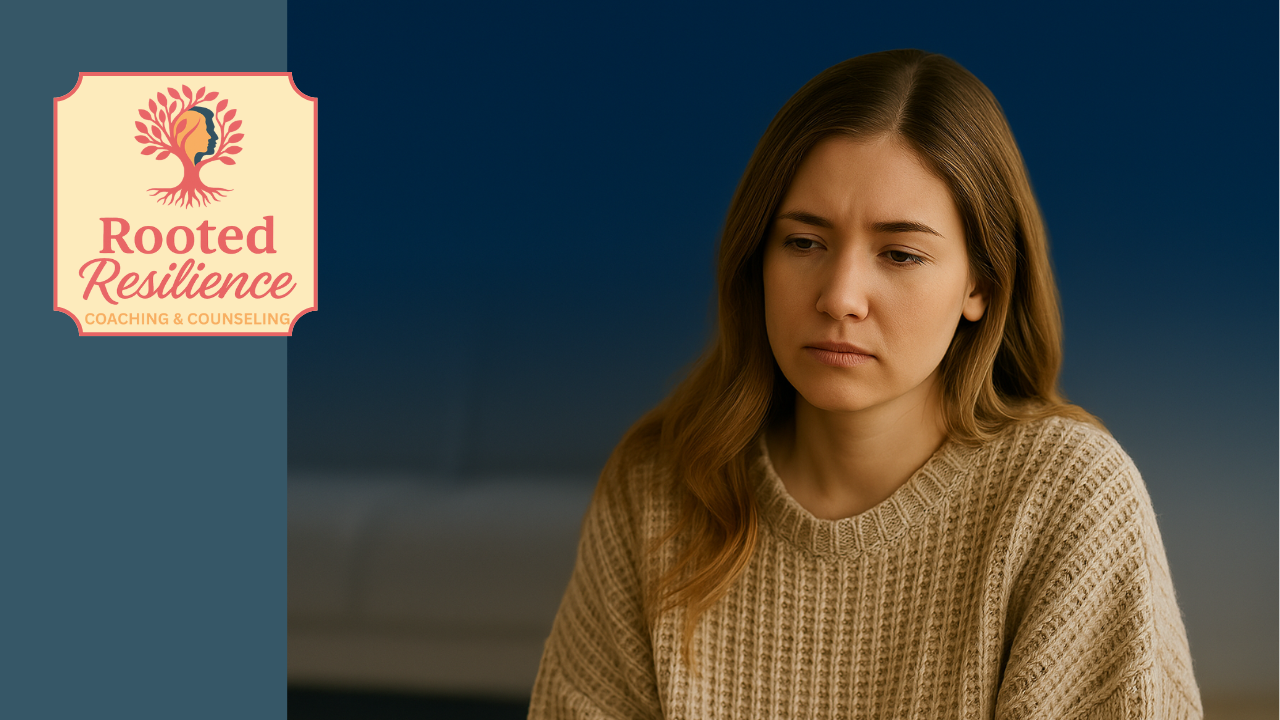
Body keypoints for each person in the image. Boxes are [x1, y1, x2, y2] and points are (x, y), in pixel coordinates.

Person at [528, 48, 1202, 719]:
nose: (840, 296)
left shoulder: (1067, 499)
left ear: (981, 284)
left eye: (900, 254)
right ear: (756, 256)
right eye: (803, 242)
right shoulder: (658, 488)